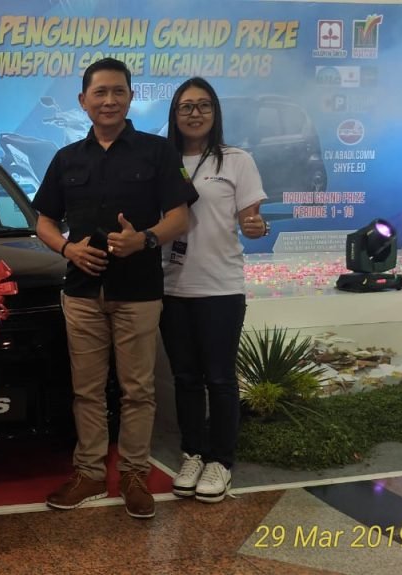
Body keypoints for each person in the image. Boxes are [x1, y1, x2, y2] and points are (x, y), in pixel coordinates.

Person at [31, 58, 197, 519]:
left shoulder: (157, 152)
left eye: (118, 91)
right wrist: (68, 249)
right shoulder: (66, 158)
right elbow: (44, 221)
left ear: (130, 97)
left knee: (137, 390)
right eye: (100, 92)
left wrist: (144, 239)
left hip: (138, 291)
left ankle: (134, 475)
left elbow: (180, 216)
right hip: (82, 293)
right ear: (83, 101)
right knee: (86, 390)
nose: (109, 100)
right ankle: (88, 473)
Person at [161, 77, 268, 503]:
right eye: (186, 106)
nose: (195, 113)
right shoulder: (162, 160)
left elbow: (252, 221)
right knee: (185, 378)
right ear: (174, 114)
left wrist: (258, 227)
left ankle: (221, 461)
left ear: (215, 112)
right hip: (171, 285)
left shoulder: (237, 160)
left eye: (203, 105)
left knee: (220, 378)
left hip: (220, 286)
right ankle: (193, 454)